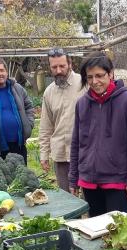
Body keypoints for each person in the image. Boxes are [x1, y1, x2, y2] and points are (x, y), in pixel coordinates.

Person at [69, 51, 127, 217]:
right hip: (89, 181)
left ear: (110, 74)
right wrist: (73, 178)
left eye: (99, 76)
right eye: (89, 77)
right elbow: (76, 143)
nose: (94, 82)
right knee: (94, 233)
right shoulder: (82, 104)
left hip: (116, 182)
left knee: (116, 234)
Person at [39, 48, 86, 191]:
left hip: (84, 153)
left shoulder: (84, 84)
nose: (58, 70)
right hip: (60, 154)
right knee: (66, 198)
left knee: (88, 199)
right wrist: (44, 154)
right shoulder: (49, 92)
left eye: (62, 66)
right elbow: (46, 126)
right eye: (54, 67)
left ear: (70, 64)